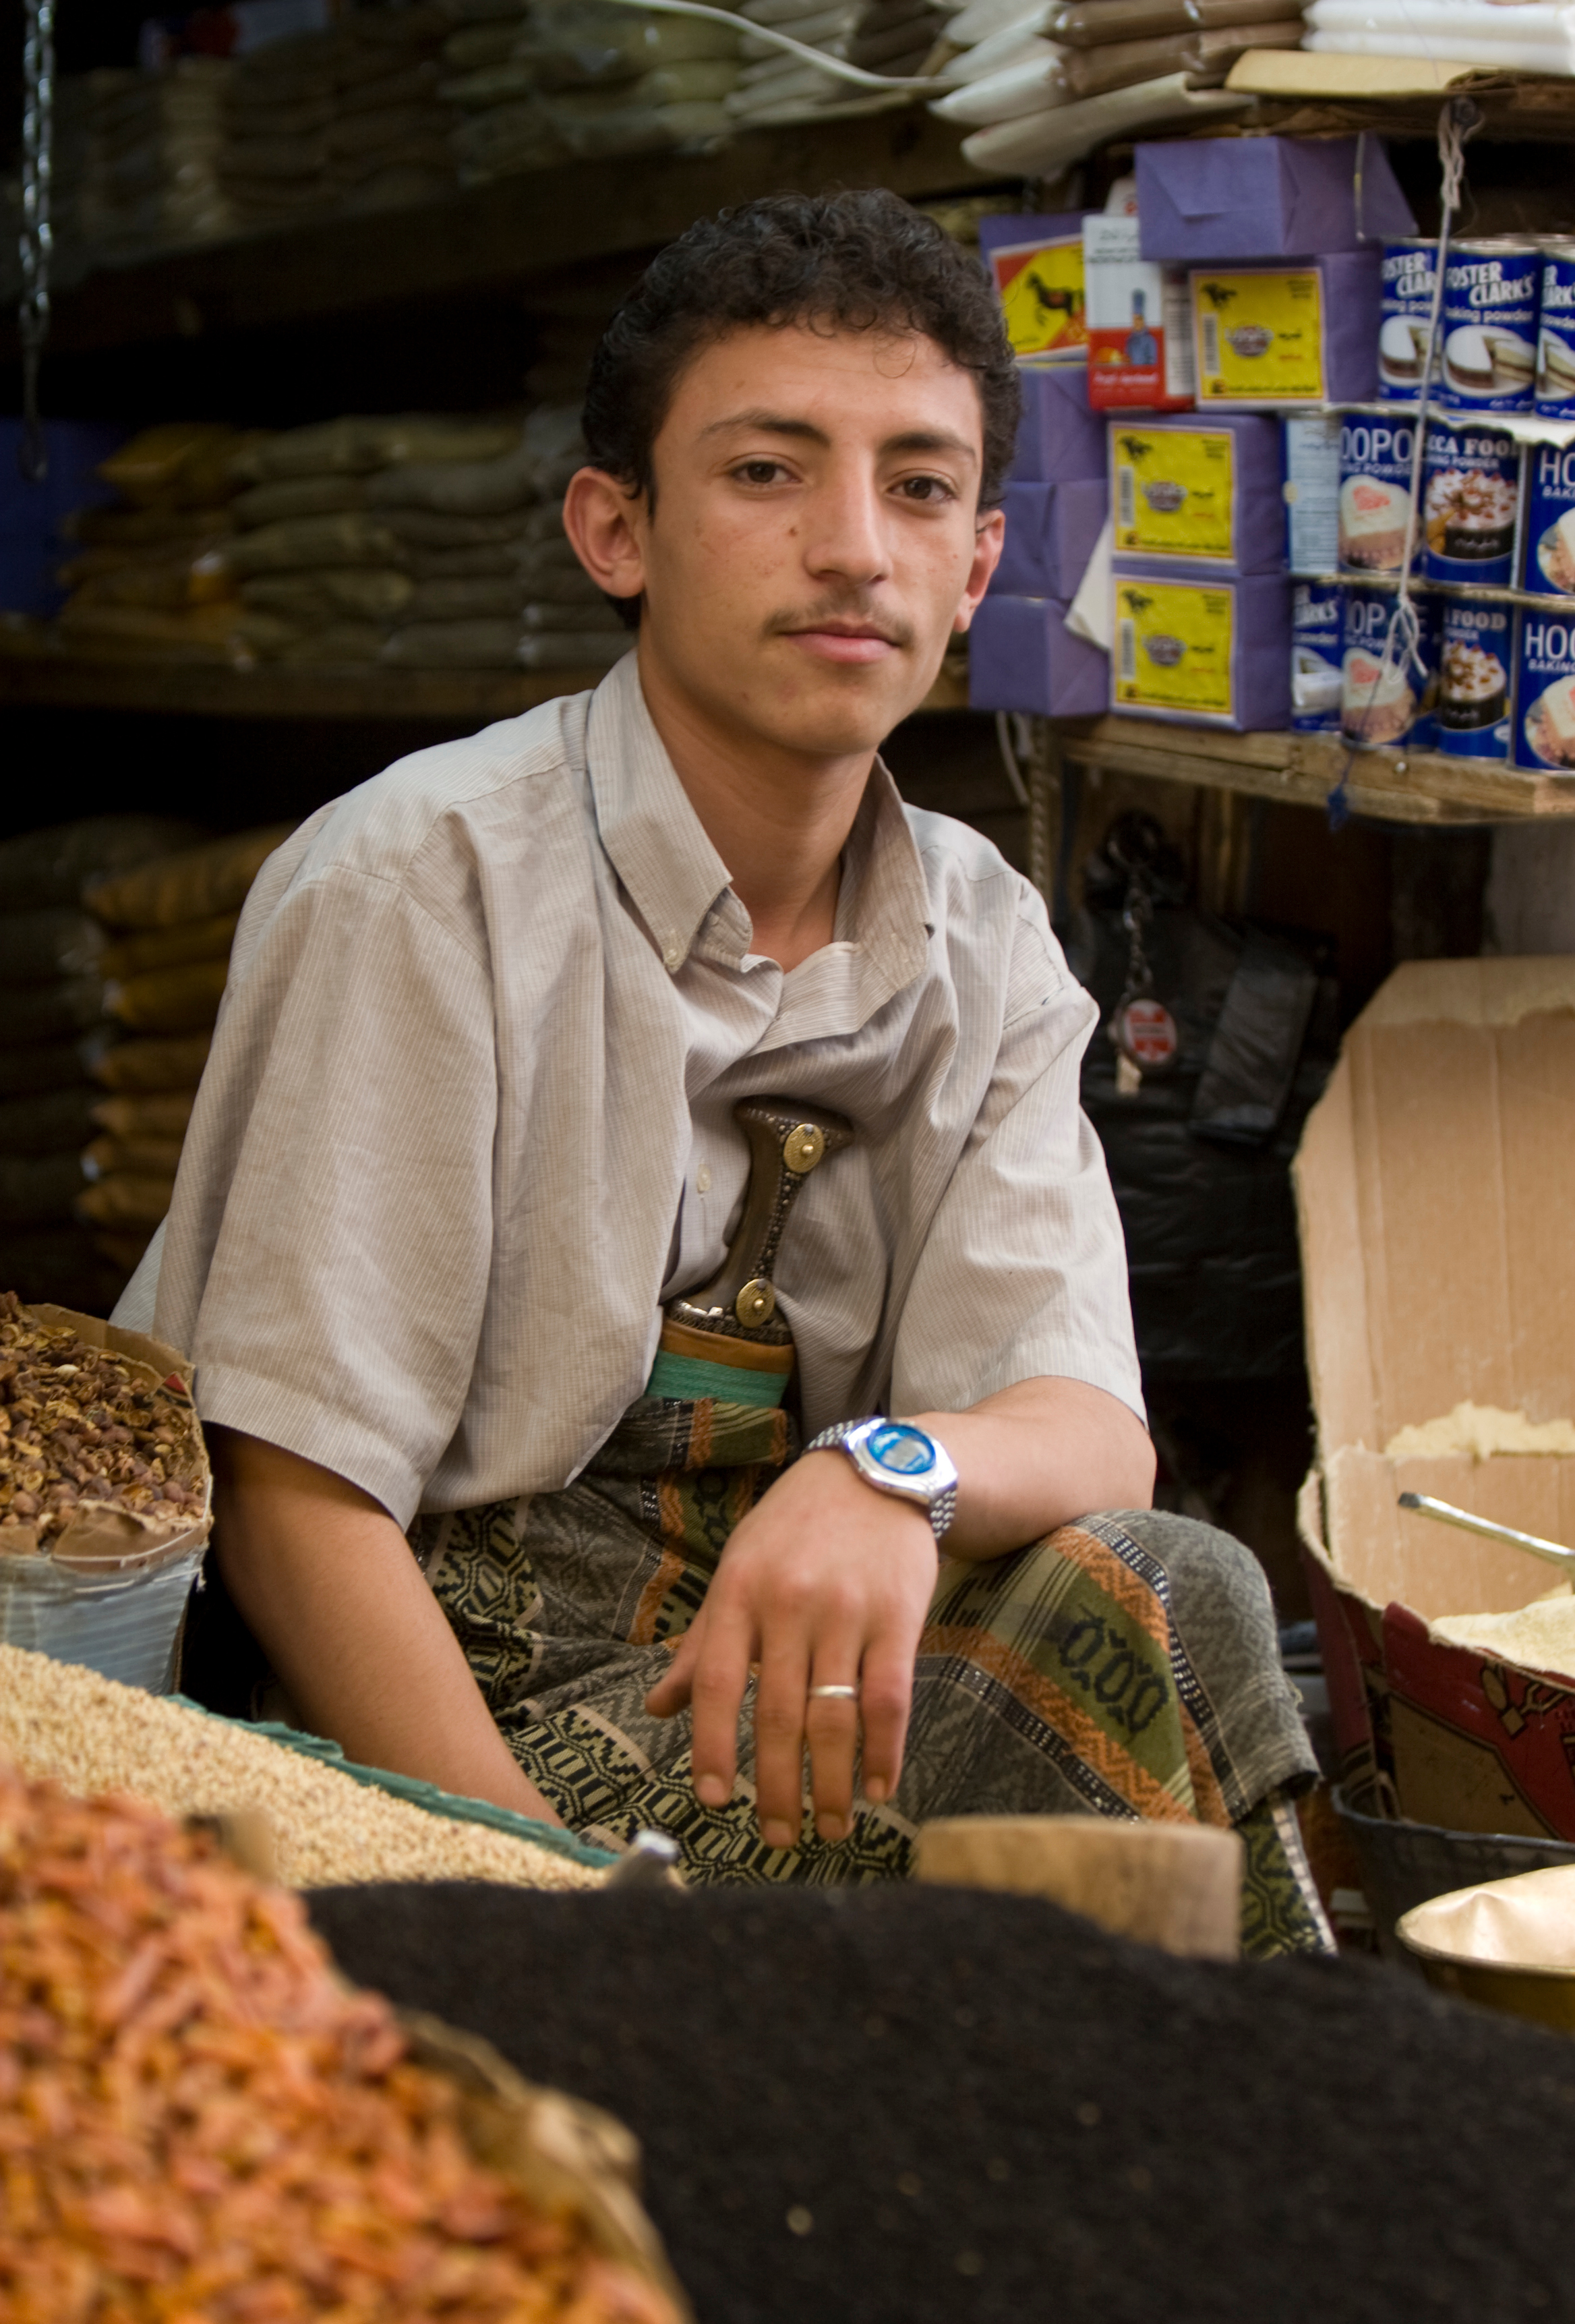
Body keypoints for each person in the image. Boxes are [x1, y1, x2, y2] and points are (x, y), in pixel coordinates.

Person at [118, 190, 1329, 1953]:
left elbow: (1086, 1429)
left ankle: (1198, 2173)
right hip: (408, 1742)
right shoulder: (423, 883)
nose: (855, 547)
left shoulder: (982, 939)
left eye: (918, 486)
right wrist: (552, 1919)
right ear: (618, 530)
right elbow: (297, 1508)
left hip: (748, 1702)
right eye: (770, 472)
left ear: (981, 564)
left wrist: (890, 1471)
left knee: (1165, 1598)